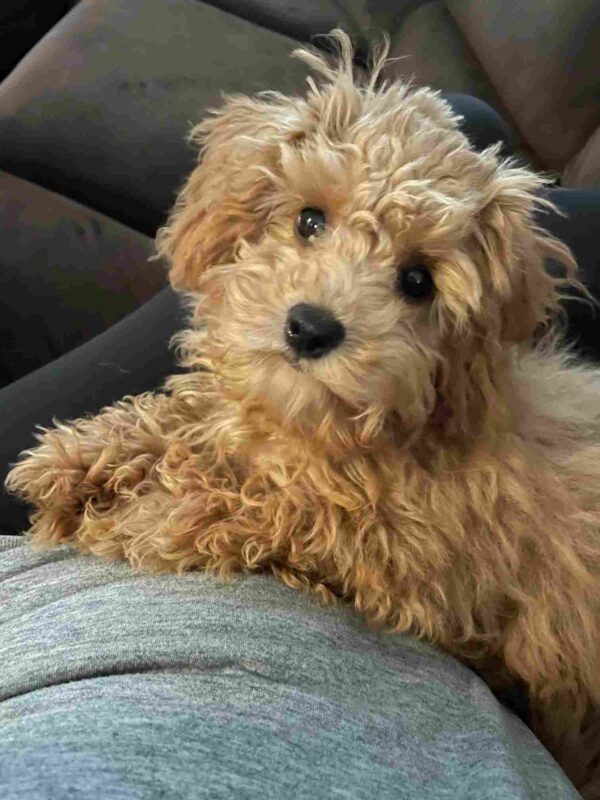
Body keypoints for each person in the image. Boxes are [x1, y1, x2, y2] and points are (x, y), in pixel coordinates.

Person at [1, 95, 598, 537]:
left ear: (461, 343)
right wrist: (150, 435)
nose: (325, 304)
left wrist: (169, 498)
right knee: (469, 113)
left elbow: (272, 530)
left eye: (414, 284)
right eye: (311, 222)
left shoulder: (384, 508)